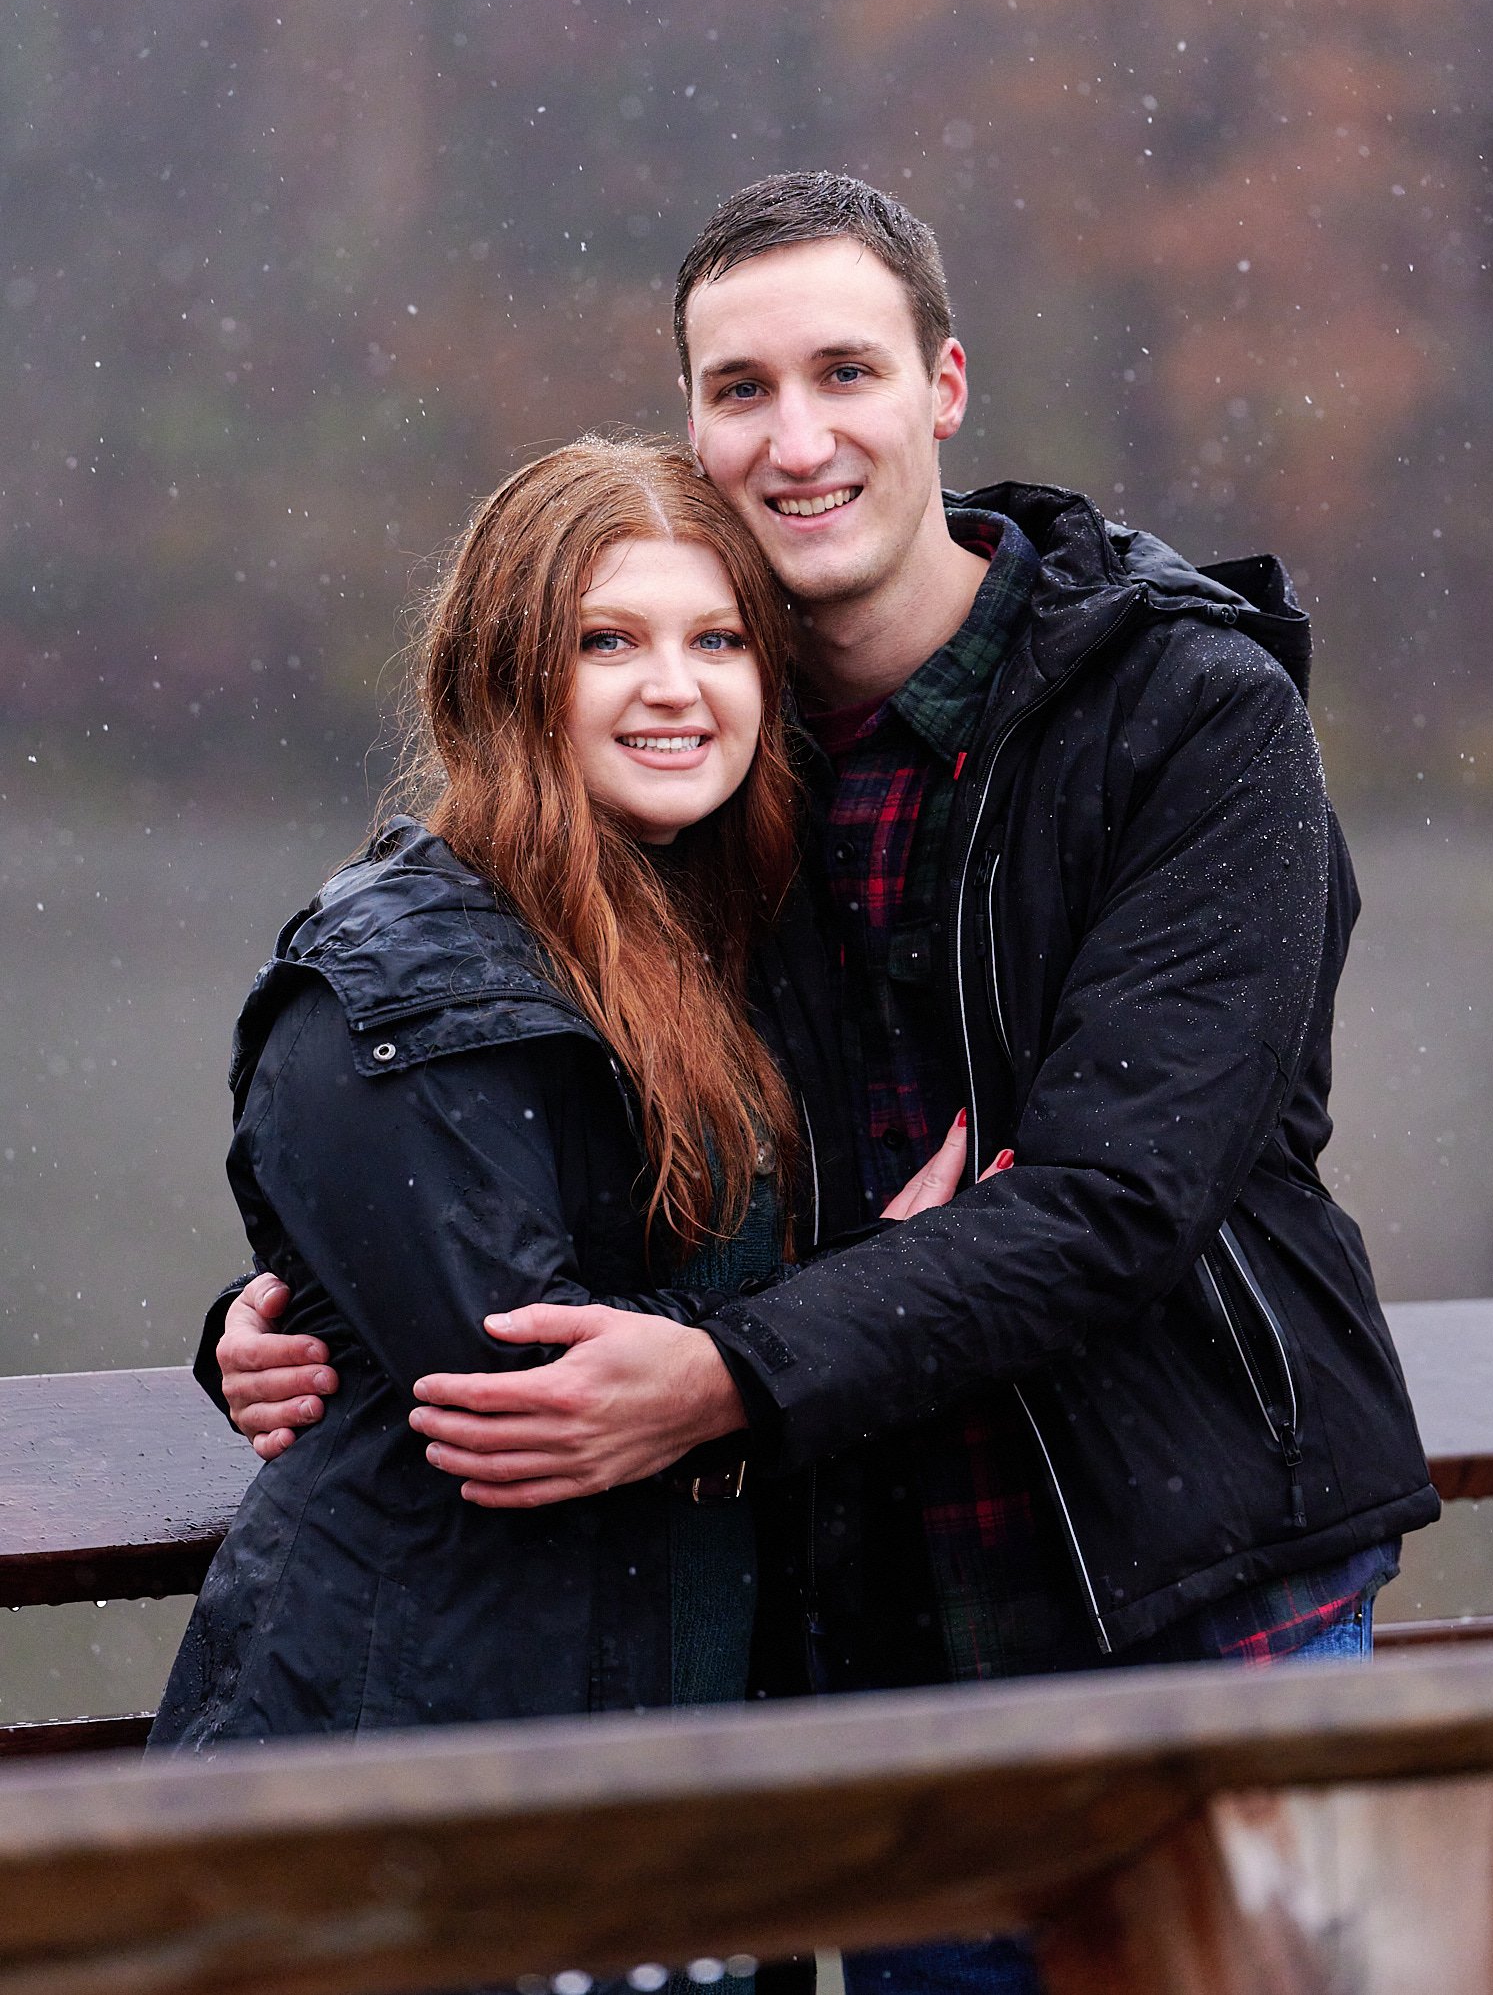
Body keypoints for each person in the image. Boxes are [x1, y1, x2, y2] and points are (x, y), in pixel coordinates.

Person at [210, 177, 1438, 1993]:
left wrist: (728, 1368)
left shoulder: (1183, 714)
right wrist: (305, 1306)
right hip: (875, 1639)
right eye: (740, 389)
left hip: (1178, 1607)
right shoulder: (700, 759)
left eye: (845, 371)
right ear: (695, 426)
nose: (798, 438)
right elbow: (498, 1114)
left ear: (943, 385)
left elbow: (1115, 1197)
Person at [152, 432, 967, 1748]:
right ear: (506, 672)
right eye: (608, 642)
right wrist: (889, 1288)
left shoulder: (743, 940)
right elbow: (528, 1384)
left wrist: (860, 1305)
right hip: (420, 1750)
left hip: (675, 1733)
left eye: (718, 640)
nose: (673, 689)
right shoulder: (396, 975)